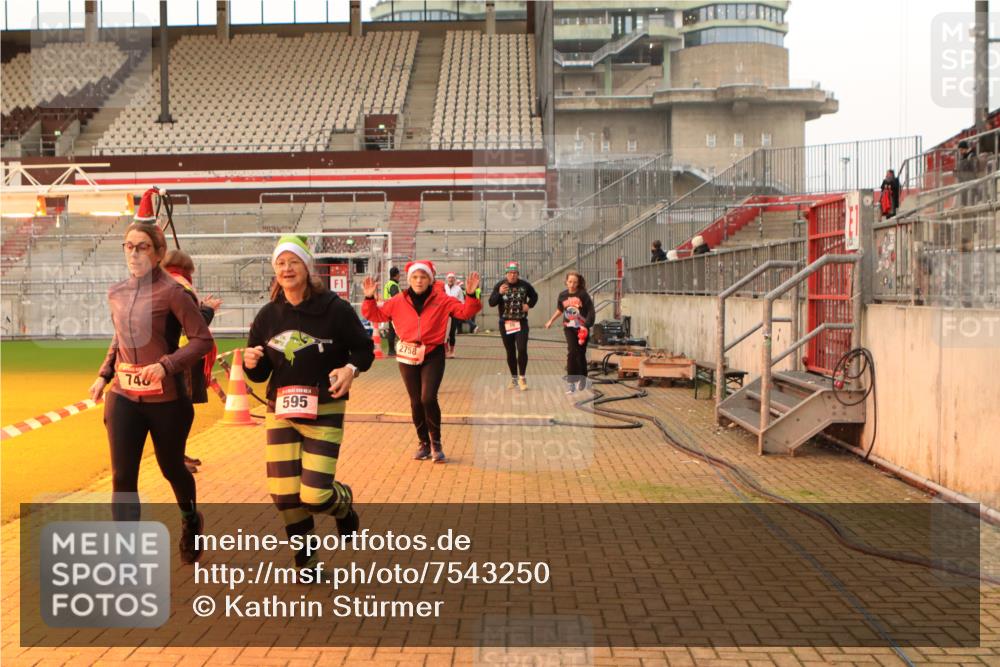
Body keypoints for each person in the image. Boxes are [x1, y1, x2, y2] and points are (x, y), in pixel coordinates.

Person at [242, 235, 374, 570]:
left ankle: (342, 503)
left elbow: (364, 349)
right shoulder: (267, 316)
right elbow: (261, 375)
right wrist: (252, 363)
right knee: (285, 495)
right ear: (275, 271)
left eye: (293, 262)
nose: (287, 269)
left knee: (315, 495)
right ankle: (306, 557)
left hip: (324, 408)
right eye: (281, 263)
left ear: (306, 266)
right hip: (280, 410)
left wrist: (350, 368)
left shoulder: (335, 309)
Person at [87, 221, 214, 563]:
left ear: (158, 254)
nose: (134, 252)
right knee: (123, 476)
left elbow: (203, 340)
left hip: (167, 400)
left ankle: (190, 520)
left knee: (172, 467)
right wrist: (104, 375)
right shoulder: (117, 292)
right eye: (129, 245)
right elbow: (120, 338)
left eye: (142, 246)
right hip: (124, 397)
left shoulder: (174, 293)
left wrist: (167, 365)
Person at [362, 260, 481, 463]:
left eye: (423, 277)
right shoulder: (398, 300)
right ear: (409, 280)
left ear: (430, 279)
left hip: (433, 353)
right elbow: (374, 314)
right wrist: (369, 298)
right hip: (408, 354)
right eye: (415, 277)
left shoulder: (441, 300)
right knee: (416, 401)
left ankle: (436, 442)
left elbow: (465, 312)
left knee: (428, 398)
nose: (419, 281)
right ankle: (423, 443)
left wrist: (470, 295)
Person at [161, 248, 222, 474]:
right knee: (180, 411)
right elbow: (193, 324)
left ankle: (177, 455)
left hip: (178, 355)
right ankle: (174, 459)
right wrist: (208, 310)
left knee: (180, 411)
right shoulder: (181, 287)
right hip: (184, 355)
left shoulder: (166, 283)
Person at [488, 261, 538, 391]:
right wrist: (499, 293)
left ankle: (522, 377)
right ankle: (514, 378)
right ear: (506, 274)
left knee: (521, 349)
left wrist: (529, 305)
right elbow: (491, 303)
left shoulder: (525, 285)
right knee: (510, 351)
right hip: (505, 323)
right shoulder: (500, 285)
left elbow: (535, 296)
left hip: (521, 322)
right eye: (510, 273)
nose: (513, 275)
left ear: (518, 274)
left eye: (515, 273)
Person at [544, 272, 596, 394]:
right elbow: (560, 309)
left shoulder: (583, 294)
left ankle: (583, 378)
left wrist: (586, 325)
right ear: (566, 282)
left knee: (581, 353)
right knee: (572, 352)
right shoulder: (562, 295)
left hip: (582, 328)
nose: (572, 284)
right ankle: (571, 383)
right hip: (569, 327)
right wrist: (551, 320)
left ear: (578, 283)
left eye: (575, 282)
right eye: (570, 282)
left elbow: (591, 311)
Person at [443, 272, 464, 358]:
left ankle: (452, 351)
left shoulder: (458, 289)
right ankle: (445, 350)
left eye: (452, 278)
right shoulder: (443, 288)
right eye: (449, 278)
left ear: (454, 279)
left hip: (454, 314)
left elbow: (462, 301)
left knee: (452, 333)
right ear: (447, 279)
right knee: (444, 334)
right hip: (444, 314)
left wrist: (460, 310)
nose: (451, 279)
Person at [382, 266, 401, 356]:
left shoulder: (389, 284)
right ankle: (391, 350)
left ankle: (391, 350)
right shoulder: (393, 285)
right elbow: (396, 298)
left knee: (392, 330)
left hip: (389, 309)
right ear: (396, 275)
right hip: (394, 310)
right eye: (399, 274)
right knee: (395, 330)